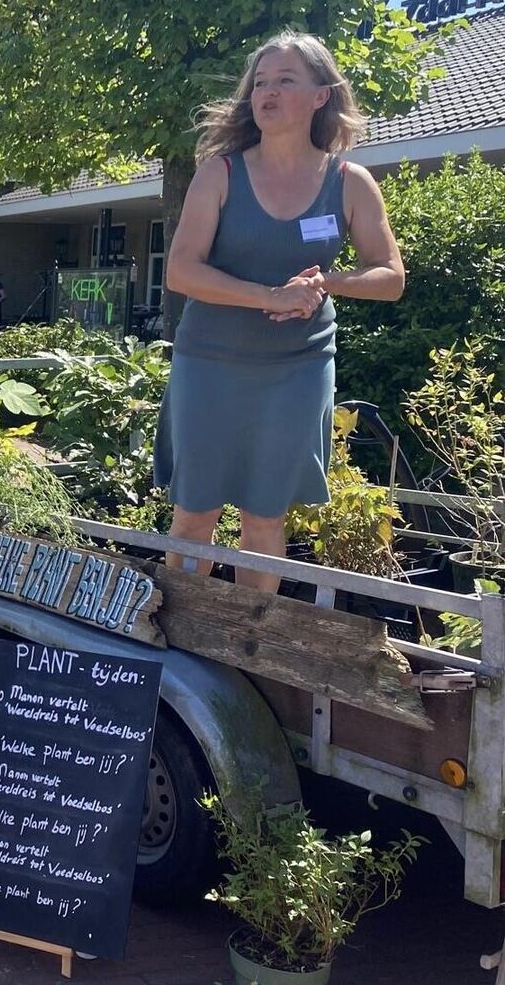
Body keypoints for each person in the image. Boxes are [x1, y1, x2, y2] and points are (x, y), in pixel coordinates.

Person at [153, 31, 405, 591]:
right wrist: (268, 296)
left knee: (266, 516)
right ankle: (184, 643)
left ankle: (248, 652)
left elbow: (390, 277)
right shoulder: (219, 173)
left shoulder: (349, 182)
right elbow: (182, 272)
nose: (267, 93)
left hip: (297, 367)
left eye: (285, 81)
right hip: (210, 363)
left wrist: (326, 280)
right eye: (260, 83)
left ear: (321, 95)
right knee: (196, 514)